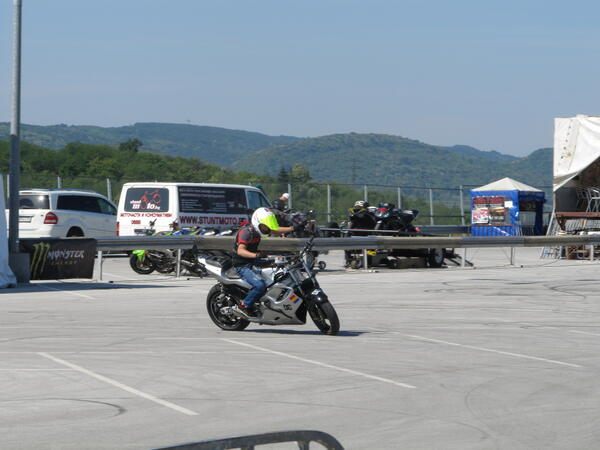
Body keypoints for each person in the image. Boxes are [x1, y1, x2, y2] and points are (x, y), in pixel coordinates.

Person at [232, 207, 295, 317]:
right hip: (242, 265)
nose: (267, 229)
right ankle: (244, 305)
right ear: (258, 222)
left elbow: (275, 229)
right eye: (265, 226)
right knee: (260, 285)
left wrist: (293, 228)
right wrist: (256, 255)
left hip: (254, 260)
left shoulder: (259, 230)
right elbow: (240, 250)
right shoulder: (246, 232)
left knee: (279, 269)